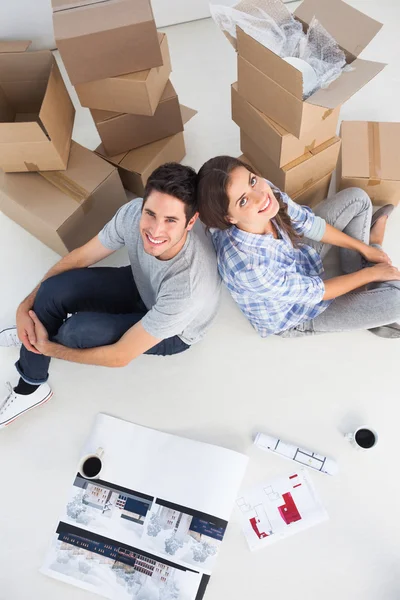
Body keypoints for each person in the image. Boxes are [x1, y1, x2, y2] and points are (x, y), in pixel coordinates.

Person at [0, 163, 221, 428]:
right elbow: (81, 257)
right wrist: (24, 307)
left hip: (174, 331)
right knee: (52, 290)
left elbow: (120, 356)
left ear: (191, 221)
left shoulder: (189, 287)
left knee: (75, 333)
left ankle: (36, 352)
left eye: (171, 220)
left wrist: (51, 349)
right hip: (142, 283)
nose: (155, 230)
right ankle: (33, 361)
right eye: (150, 213)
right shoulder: (131, 214)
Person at [196, 155, 400, 340]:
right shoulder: (249, 268)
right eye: (243, 200)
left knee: (358, 198)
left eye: (252, 180)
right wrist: (372, 273)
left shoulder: (265, 192)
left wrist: (365, 250)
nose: (260, 195)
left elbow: (309, 223)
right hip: (298, 312)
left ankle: (362, 279)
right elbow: (317, 292)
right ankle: (373, 250)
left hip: (301, 259)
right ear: (230, 218)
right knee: (397, 301)